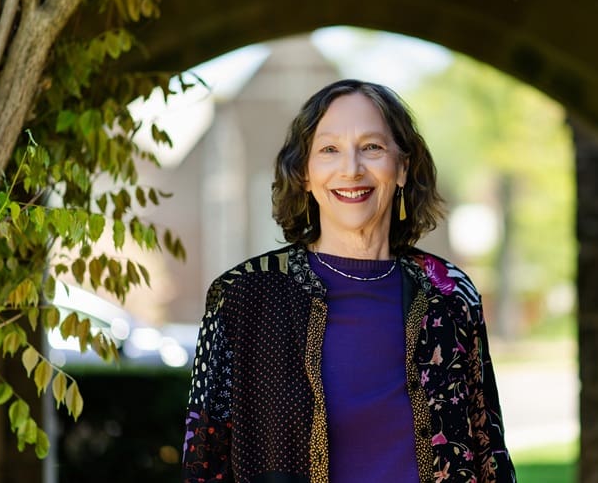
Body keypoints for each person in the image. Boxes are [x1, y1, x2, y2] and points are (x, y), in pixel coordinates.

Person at [182, 79, 517, 483]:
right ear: (304, 173)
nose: (351, 169)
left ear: (402, 167)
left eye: (372, 147)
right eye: (329, 150)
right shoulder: (245, 296)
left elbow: (488, 449)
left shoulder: (449, 294)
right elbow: (204, 463)